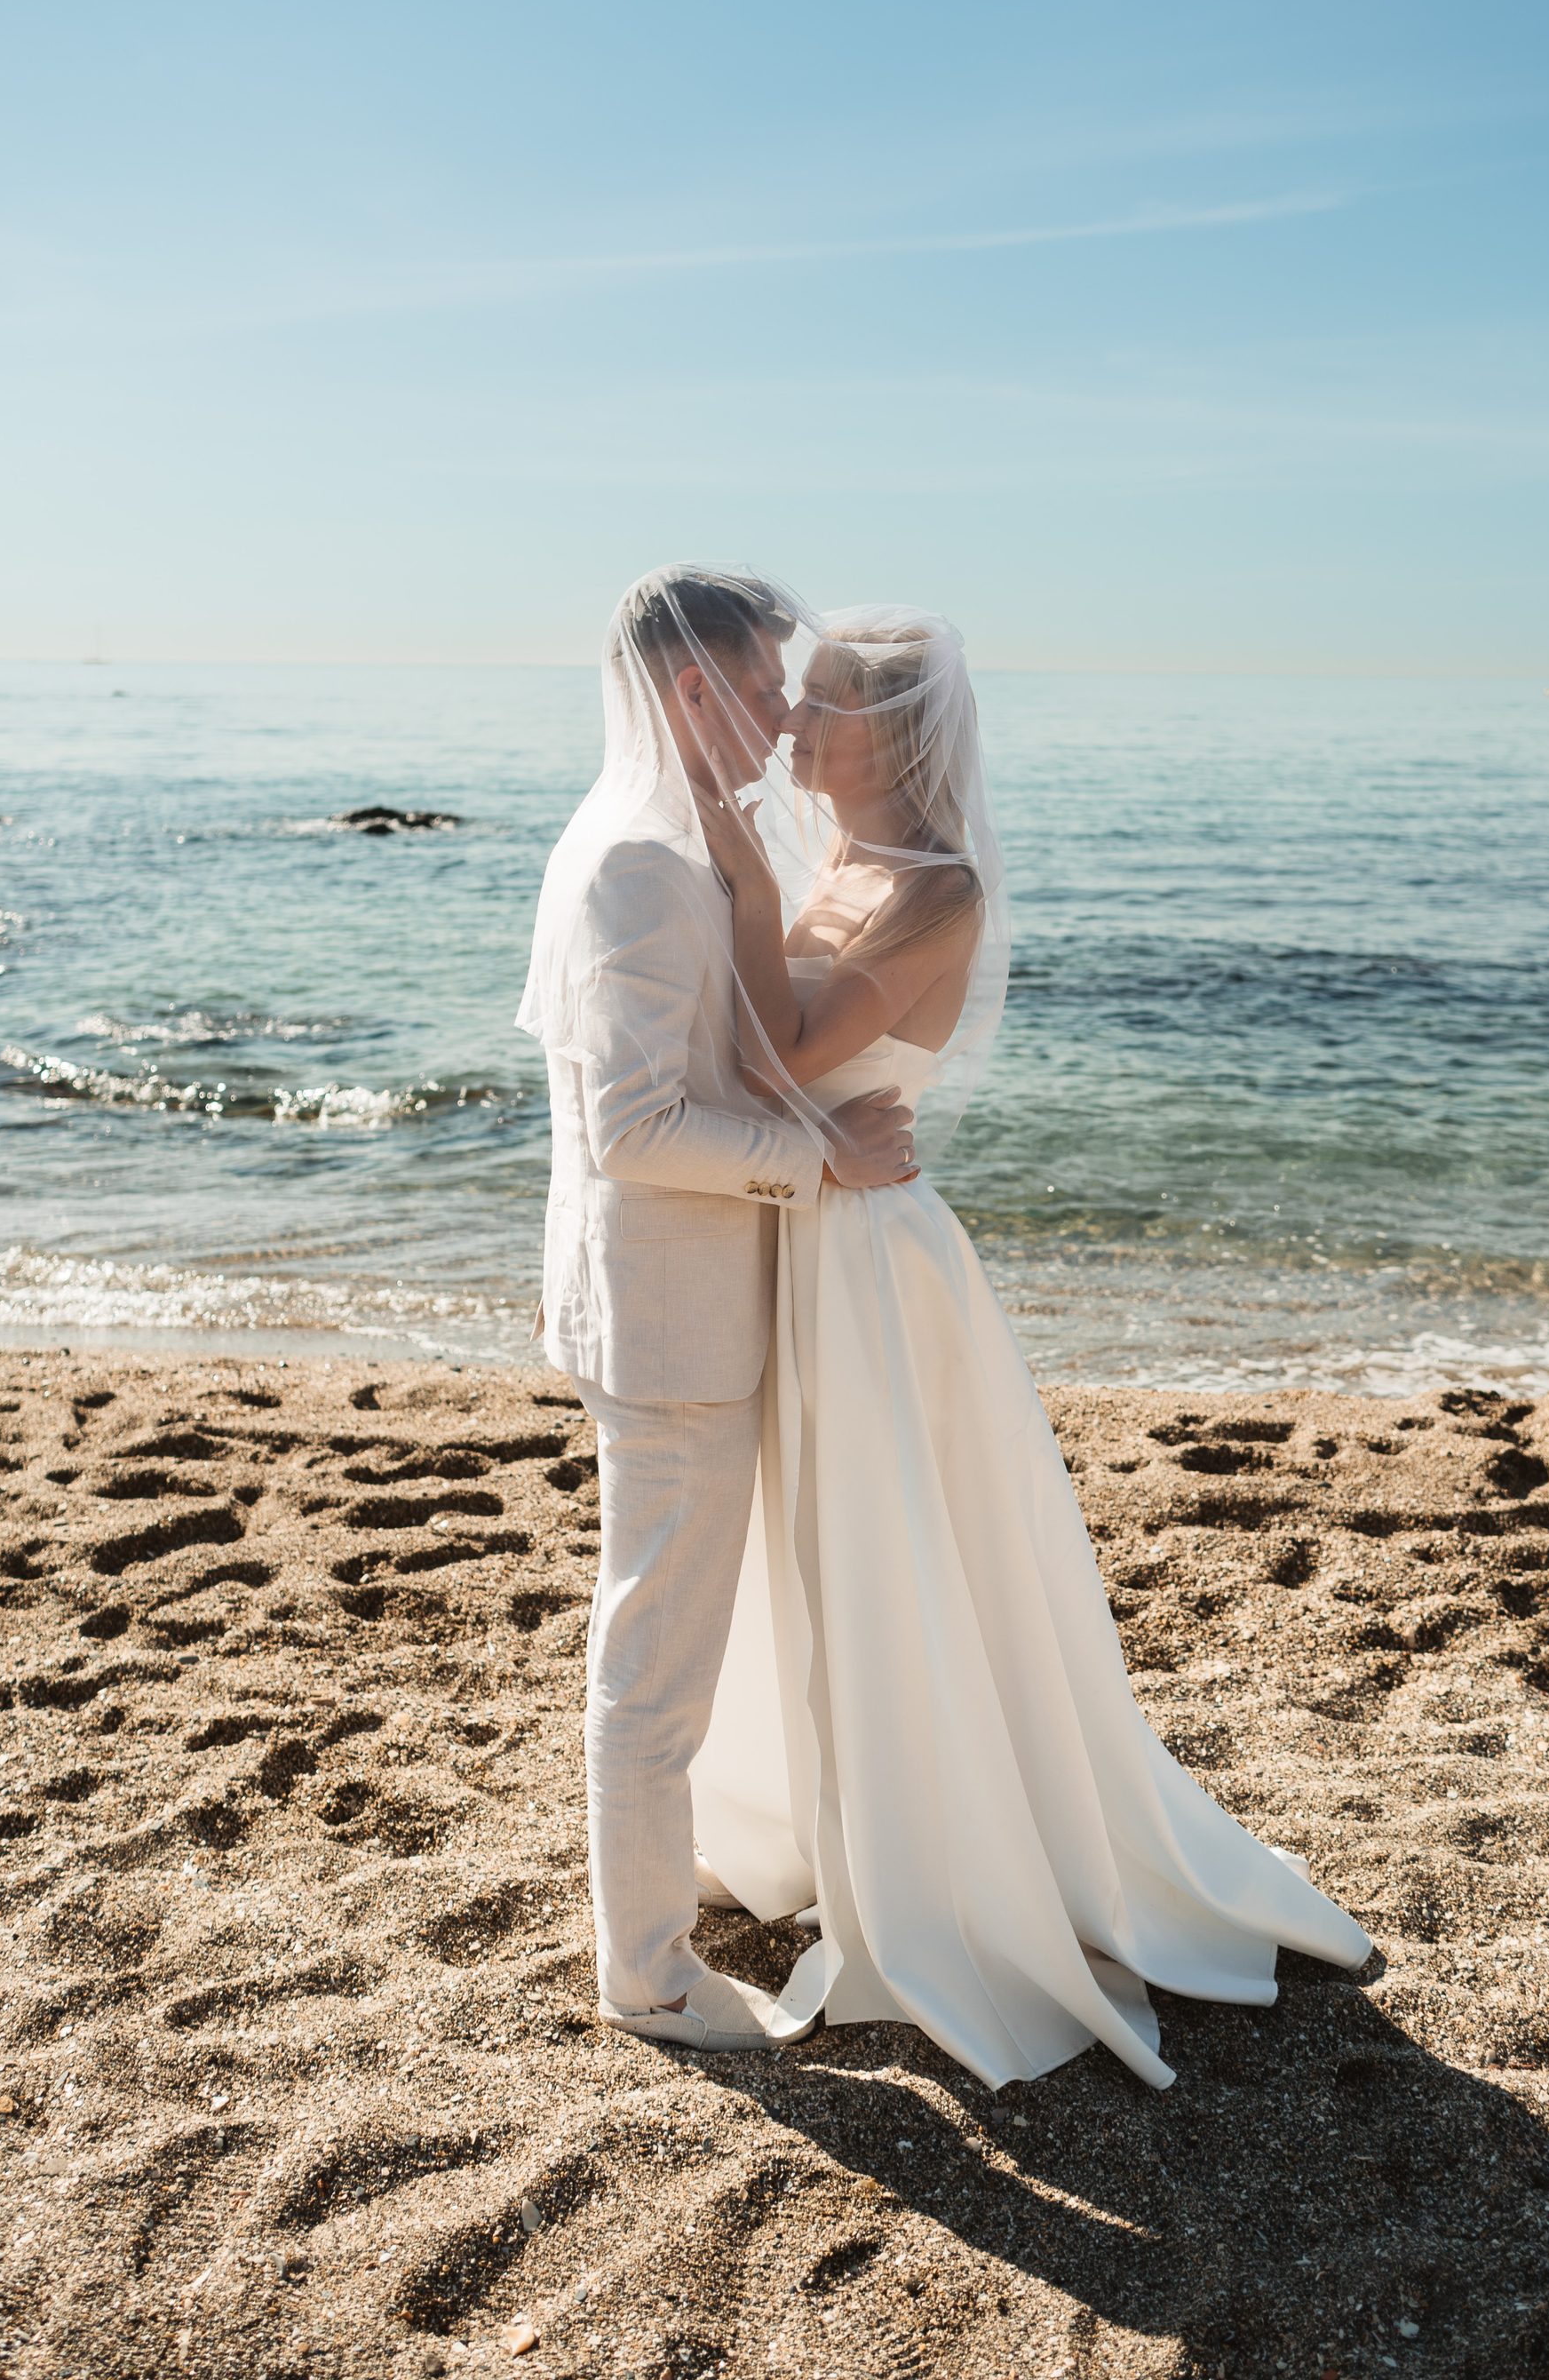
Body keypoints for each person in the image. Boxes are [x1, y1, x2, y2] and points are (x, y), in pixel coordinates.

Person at [687, 610, 1372, 2089]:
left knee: (895, 1547)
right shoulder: (837, 861)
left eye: (821, 702)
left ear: (895, 731)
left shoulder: (936, 888)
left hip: (871, 1264)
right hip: (807, 1225)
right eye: (793, 696)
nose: (790, 721)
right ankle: (830, 1813)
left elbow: (784, 1052)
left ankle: (948, 1858)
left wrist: (735, 873)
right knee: (805, 1544)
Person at [516, 566, 916, 2055]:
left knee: (666, 1634)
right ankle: (649, 1975)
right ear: (694, 692)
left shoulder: (670, 834)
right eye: (760, 688)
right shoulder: (635, 860)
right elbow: (633, 1127)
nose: (782, 716)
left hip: (663, 1307)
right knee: (656, 1654)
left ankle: (662, 1889)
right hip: (667, 1325)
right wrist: (823, 1160)